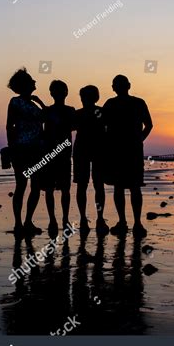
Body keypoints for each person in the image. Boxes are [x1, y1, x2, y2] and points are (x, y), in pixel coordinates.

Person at [102, 75, 153, 238]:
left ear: (114, 88)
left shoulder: (111, 104)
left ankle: (127, 222)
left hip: (120, 150)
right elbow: (149, 125)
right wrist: (139, 139)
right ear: (128, 86)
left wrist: (139, 140)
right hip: (128, 149)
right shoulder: (137, 103)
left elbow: (101, 126)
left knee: (124, 186)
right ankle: (133, 223)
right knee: (133, 186)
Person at [6, 67, 44, 236]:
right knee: (21, 186)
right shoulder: (15, 102)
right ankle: (18, 224)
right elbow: (9, 126)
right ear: (25, 85)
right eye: (31, 80)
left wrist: (41, 103)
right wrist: (11, 147)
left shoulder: (34, 104)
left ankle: (28, 221)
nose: (35, 82)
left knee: (35, 187)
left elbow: (46, 119)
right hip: (21, 149)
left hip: (37, 149)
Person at [35, 80, 75, 235]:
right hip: (50, 154)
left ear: (65, 93)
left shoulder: (70, 110)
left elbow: (68, 125)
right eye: (55, 91)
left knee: (64, 189)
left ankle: (63, 219)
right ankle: (53, 219)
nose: (58, 94)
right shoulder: (48, 111)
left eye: (60, 91)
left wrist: (41, 104)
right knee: (51, 189)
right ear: (52, 93)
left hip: (62, 154)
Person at [73, 85, 109, 235]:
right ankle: (96, 218)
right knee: (97, 185)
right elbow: (108, 129)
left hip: (87, 150)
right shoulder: (100, 112)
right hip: (95, 150)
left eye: (83, 97)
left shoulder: (80, 113)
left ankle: (86, 219)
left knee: (85, 185)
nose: (82, 100)